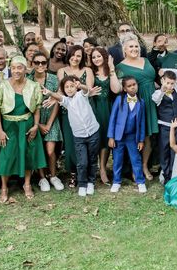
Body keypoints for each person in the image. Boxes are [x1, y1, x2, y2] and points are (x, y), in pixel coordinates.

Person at [0, 56, 45, 202]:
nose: (16, 71)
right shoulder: (1, 86)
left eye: (19, 67)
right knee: (7, 156)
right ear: (10, 68)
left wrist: (35, 125)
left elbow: (37, 108)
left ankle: (27, 184)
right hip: (8, 126)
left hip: (27, 124)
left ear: (25, 69)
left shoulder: (33, 86)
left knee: (27, 153)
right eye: (14, 67)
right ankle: (4, 187)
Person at [43, 76, 100, 197]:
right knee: (82, 162)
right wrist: (50, 93)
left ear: (76, 87)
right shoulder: (67, 102)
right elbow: (59, 97)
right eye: (66, 87)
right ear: (64, 89)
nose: (69, 89)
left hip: (93, 132)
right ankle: (83, 183)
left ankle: (91, 182)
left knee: (92, 159)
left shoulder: (82, 96)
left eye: (71, 86)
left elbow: (86, 90)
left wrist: (81, 86)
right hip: (79, 136)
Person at [116, 34, 159, 180]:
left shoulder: (146, 60)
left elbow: (153, 80)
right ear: (125, 50)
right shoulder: (120, 67)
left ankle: (145, 165)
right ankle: (135, 168)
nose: (135, 49)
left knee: (148, 136)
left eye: (136, 46)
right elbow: (118, 88)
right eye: (131, 47)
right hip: (136, 102)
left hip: (152, 100)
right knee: (136, 136)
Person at [57, 45, 95, 187]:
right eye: (73, 55)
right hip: (68, 112)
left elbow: (89, 90)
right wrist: (54, 98)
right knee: (71, 143)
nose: (75, 58)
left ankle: (87, 174)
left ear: (82, 57)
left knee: (87, 143)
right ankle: (73, 173)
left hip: (85, 112)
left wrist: (80, 86)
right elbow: (62, 91)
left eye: (79, 55)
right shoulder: (62, 71)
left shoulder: (87, 70)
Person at [29, 51, 64, 192]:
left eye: (43, 62)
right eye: (36, 62)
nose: (40, 65)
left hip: (51, 118)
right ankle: (42, 178)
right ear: (32, 64)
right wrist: (38, 124)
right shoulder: (27, 79)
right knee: (38, 150)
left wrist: (49, 124)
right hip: (34, 120)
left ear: (47, 64)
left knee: (50, 151)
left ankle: (53, 176)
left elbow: (57, 101)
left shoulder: (54, 79)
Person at [108, 76, 147, 193]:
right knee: (118, 160)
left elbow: (142, 123)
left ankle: (140, 182)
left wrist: (141, 140)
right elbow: (113, 119)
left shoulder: (141, 102)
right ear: (124, 89)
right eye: (129, 86)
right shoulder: (119, 100)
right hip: (119, 137)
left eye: (134, 84)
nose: (132, 87)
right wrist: (111, 136)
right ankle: (116, 181)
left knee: (136, 159)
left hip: (132, 137)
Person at [90, 47, 121, 184]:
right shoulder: (90, 72)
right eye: (93, 57)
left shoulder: (111, 72)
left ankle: (102, 168)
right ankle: (94, 166)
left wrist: (111, 68)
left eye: (98, 56)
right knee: (95, 138)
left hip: (107, 108)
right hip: (93, 108)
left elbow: (116, 89)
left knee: (106, 137)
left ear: (104, 56)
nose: (96, 59)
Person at [151, 70, 177, 184]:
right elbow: (156, 100)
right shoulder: (158, 93)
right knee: (164, 150)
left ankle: (173, 173)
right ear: (162, 80)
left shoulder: (175, 91)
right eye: (167, 83)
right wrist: (162, 90)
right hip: (165, 126)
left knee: (175, 149)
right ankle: (165, 173)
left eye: (172, 83)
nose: (170, 86)